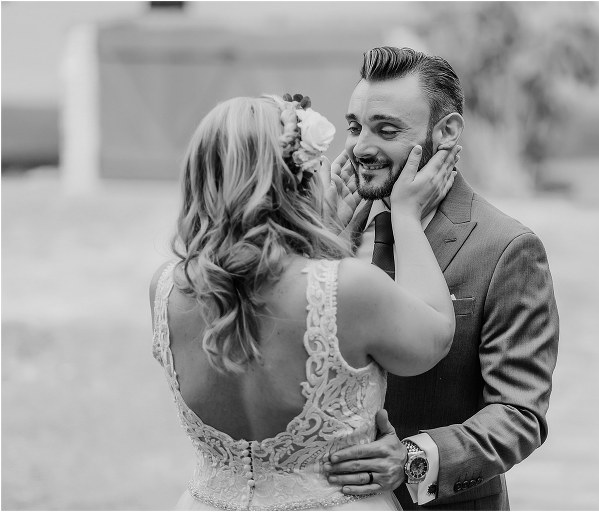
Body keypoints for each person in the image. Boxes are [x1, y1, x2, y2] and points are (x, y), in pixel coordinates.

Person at [149, 94, 462, 510]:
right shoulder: (350, 288)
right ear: (299, 180)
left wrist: (321, 238)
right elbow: (437, 333)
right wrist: (406, 215)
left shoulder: (165, 289)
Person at [323, 47, 560, 510]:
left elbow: (519, 413)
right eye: (355, 127)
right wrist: (321, 242)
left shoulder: (507, 248)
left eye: (386, 130)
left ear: (447, 132)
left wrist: (410, 459)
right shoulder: (334, 230)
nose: (360, 147)